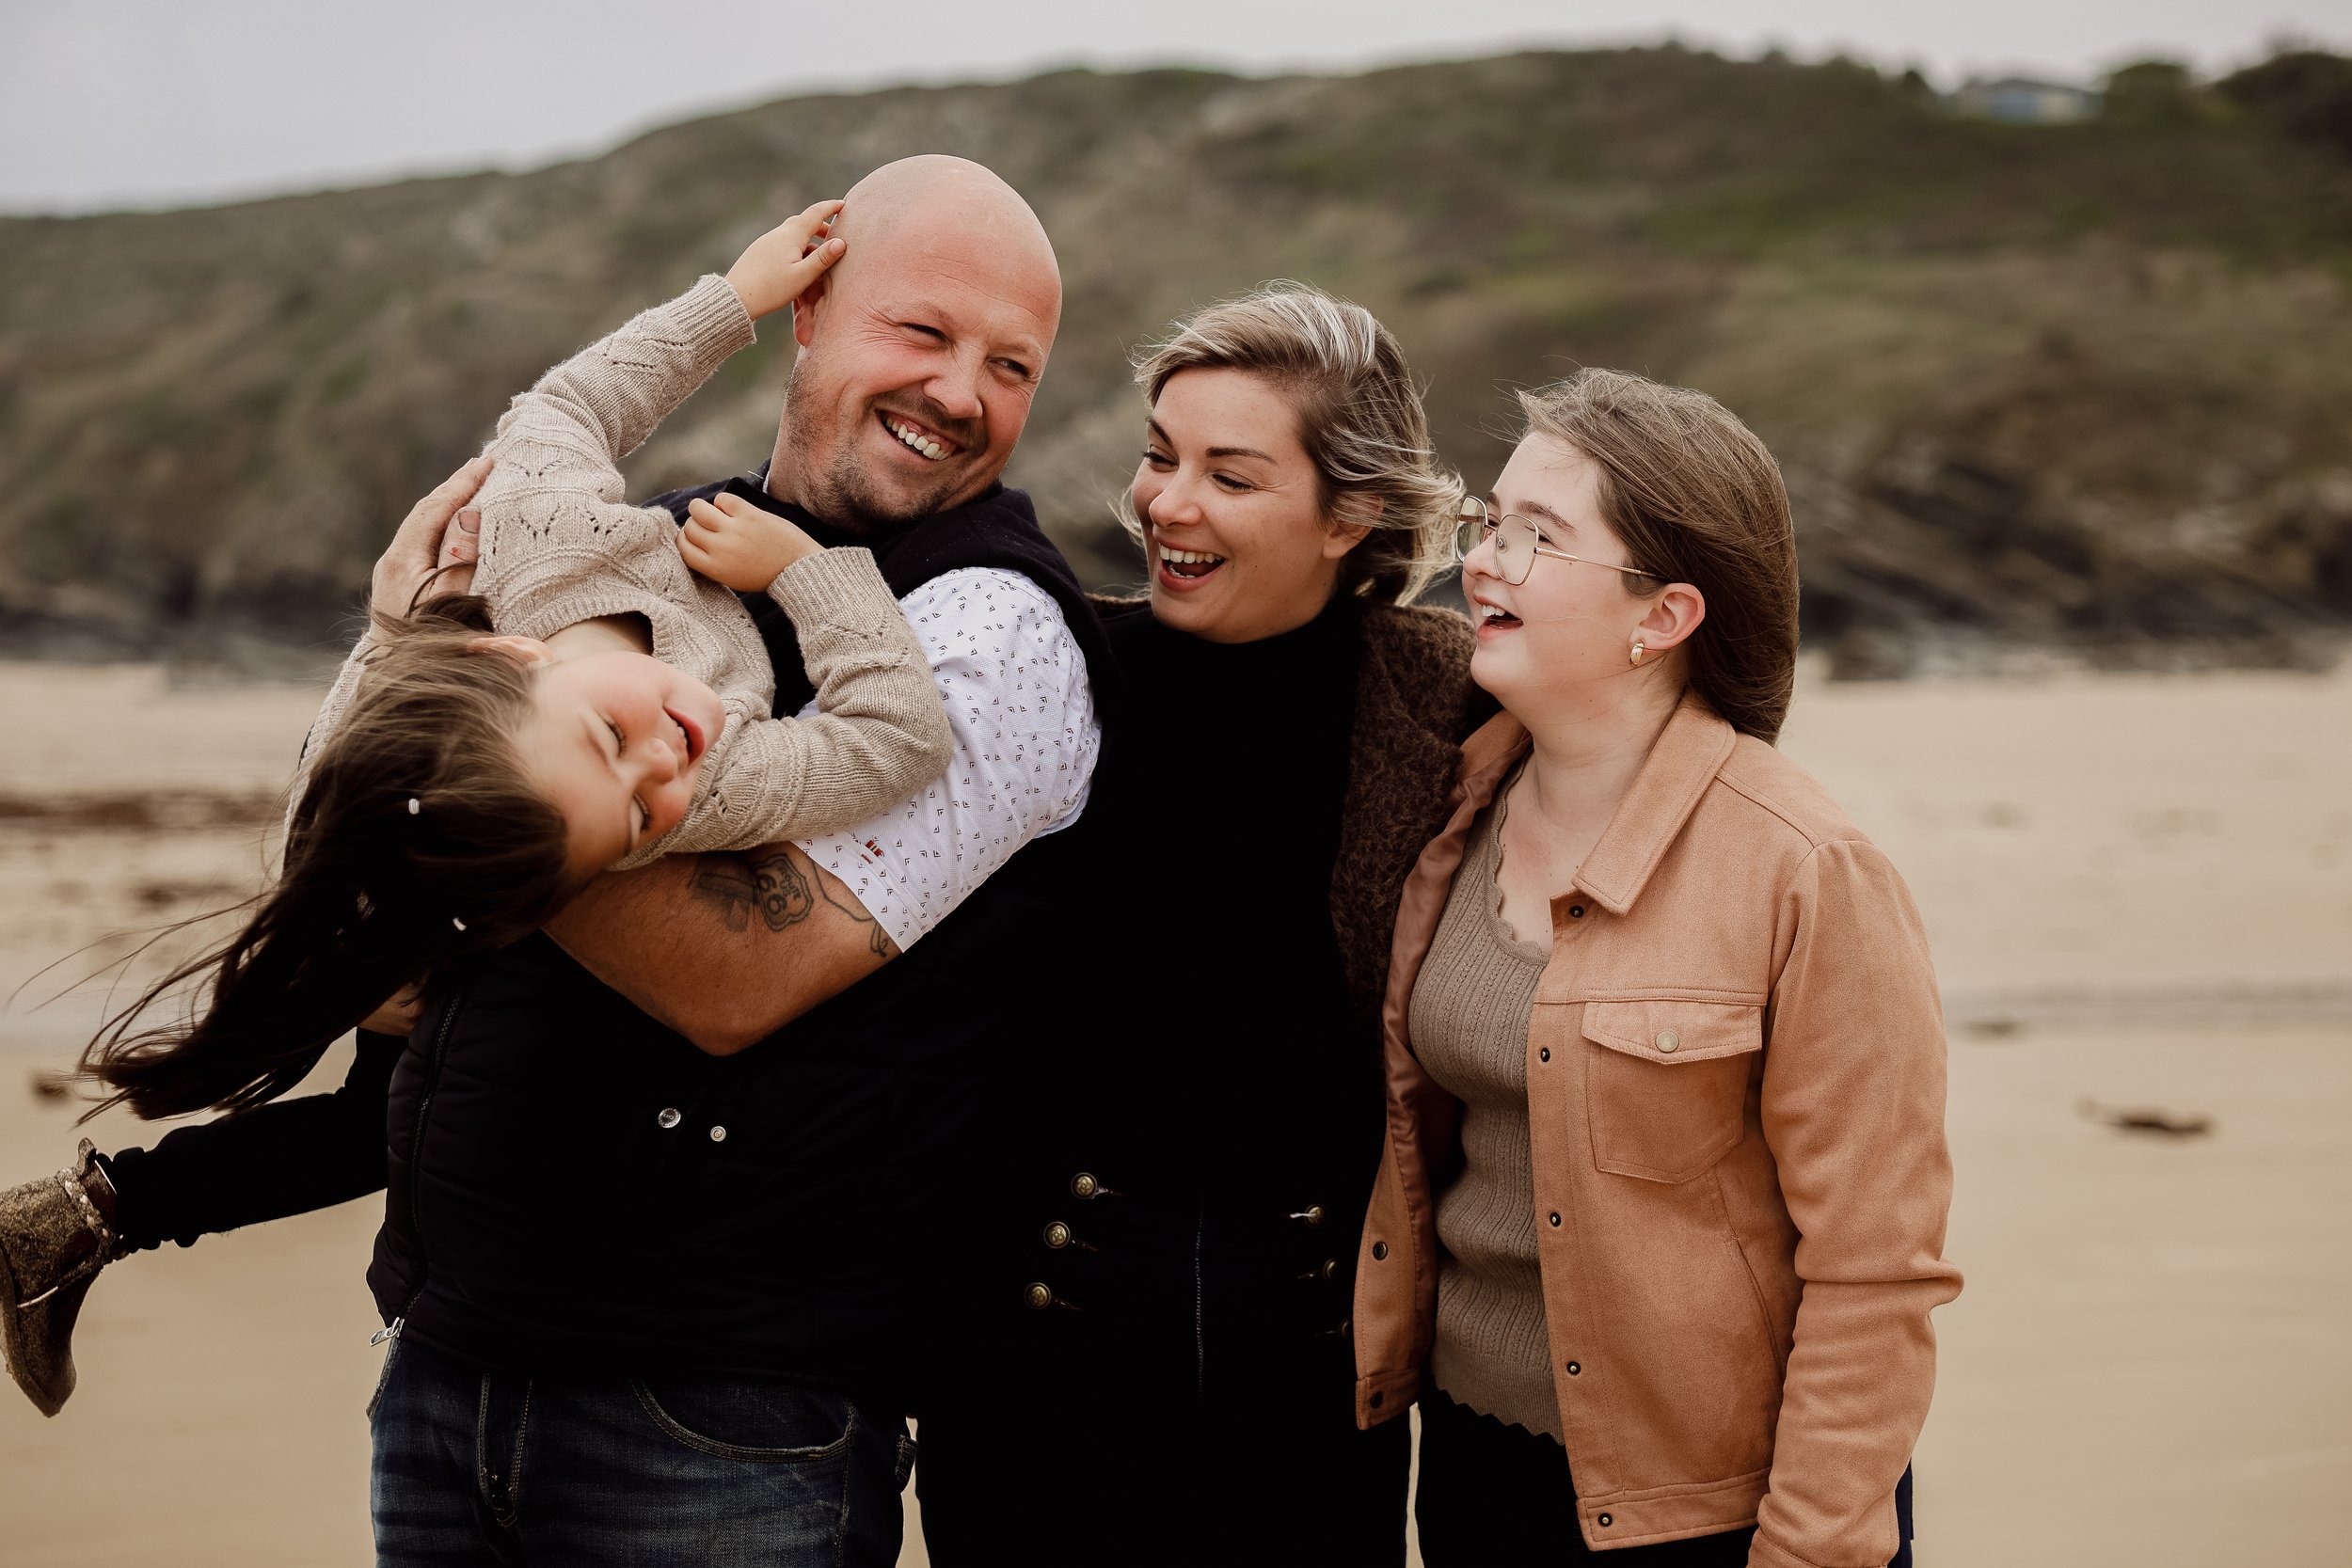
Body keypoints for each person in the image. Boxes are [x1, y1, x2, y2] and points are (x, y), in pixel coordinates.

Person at [0, 155, 1105, 1568]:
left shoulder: (994, 627)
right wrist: (418, 661)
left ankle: (107, 1207)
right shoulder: (640, 547)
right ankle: (90, 1212)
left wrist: (472, 707)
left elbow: (731, 973)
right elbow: (381, 956)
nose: (962, 389)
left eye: (1012, 364)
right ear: (812, 307)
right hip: (451, 1351)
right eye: (925, 331)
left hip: (721, 1412)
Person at [71, 200, 951, 1128]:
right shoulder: (708, 784)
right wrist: (801, 574)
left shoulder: (540, 534)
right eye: (636, 818)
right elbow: (898, 738)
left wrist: (732, 300)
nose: (661, 764)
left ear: (511, 651)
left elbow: (567, 406)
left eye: (608, 734)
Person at [914, 286, 1489, 1566]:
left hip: (1310, 1393)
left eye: (1230, 475)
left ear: (1351, 513)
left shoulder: (1447, 703)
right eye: (1160, 455)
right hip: (1027, 1364)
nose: (1166, 503)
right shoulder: (1053, 667)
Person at [1351, 370, 1961, 1565]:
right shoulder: (1448, 806)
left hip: (1711, 1505)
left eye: (1540, 538)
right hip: (1472, 1474)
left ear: (1664, 616)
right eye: (1490, 524)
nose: (1484, 561)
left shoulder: (1808, 868)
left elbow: (1877, 1269)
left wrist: (1808, 1545)